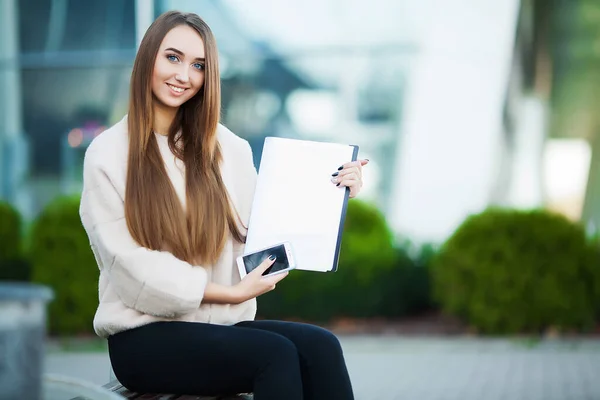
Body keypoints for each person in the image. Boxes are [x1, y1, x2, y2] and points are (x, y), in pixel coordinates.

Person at [79, 10, 367, 400]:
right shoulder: (109, 153)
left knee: (321, 347)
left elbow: (260, 229)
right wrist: (228, 293)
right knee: (275, 355)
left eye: (198, 65)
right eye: (173, 57)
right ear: (148, 57)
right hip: (143, 335)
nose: (184, 75)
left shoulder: (227, 148)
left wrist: (331, 190)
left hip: (218, 326)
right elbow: (131, 266)